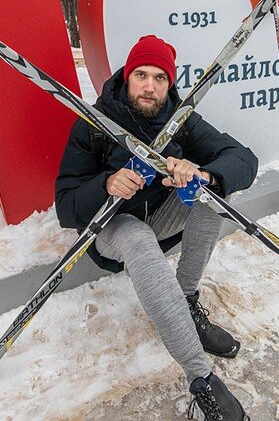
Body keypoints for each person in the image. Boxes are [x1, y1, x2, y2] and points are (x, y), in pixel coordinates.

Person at [55, 34, 258, 421]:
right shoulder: (94, 125)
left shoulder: (180, 121)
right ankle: (201, 379)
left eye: (160, 78)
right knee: (138, 237)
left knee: (214, 196)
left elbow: (243, 160)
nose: (150, 86)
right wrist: (106, 184)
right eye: (142, 75)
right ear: (127, 77)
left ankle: (185, 302)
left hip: (161, 213)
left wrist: (203, 174)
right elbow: (65, 206)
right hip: (114, 226)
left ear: (170, 84)